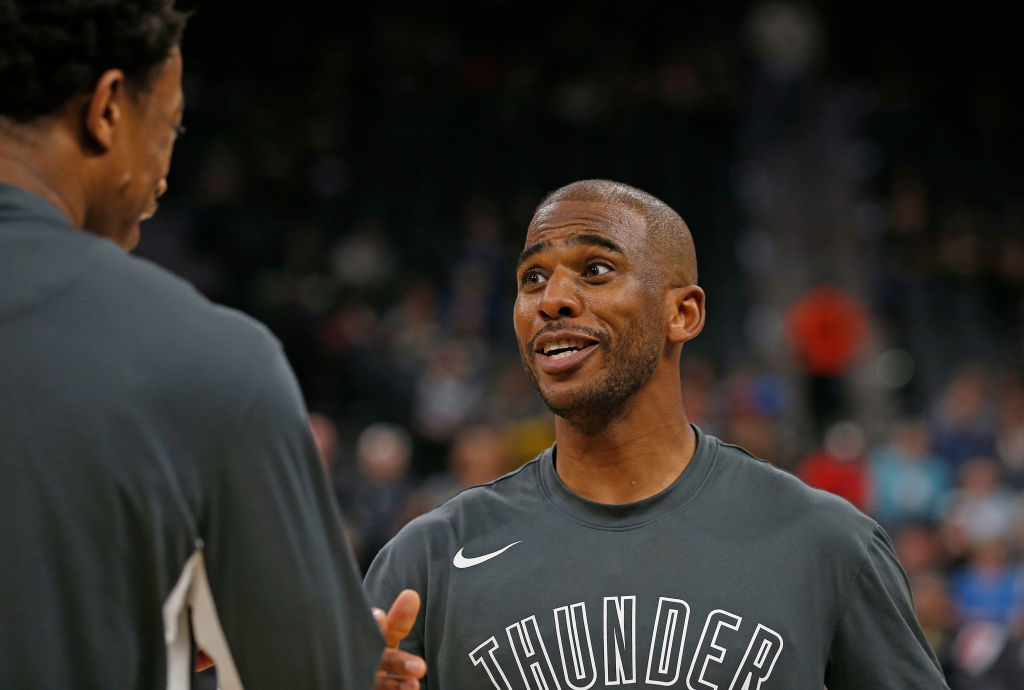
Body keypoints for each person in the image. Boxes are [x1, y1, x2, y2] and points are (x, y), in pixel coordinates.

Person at [365, 179, 948, 688]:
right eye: (533, 278)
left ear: (684, 314)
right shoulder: (426, 562)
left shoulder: (828, 544)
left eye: (595, 270)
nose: (553, 300)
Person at [0, 2, 422, 688]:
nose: (166, 177)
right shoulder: (213, 357)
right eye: (167, 128)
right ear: (107, 109)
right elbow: (309, 674)